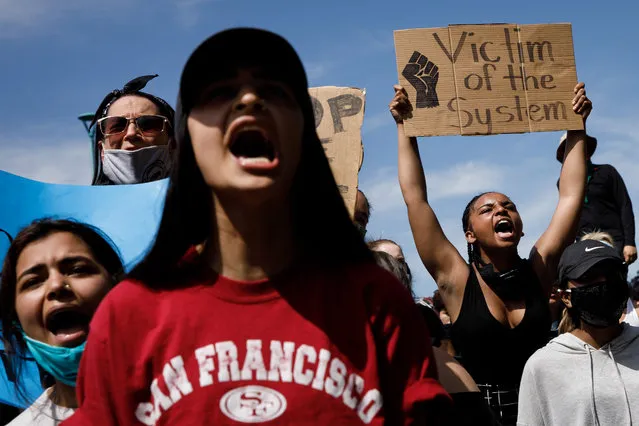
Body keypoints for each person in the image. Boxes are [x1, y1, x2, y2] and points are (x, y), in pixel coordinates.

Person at [62, 28, 449, 425]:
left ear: (303, 135)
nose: (248, 100)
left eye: (276, 92)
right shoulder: (128, 315)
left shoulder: (377, 304)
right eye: (218, 93)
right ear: (187, 141)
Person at [390, 82, 592, 425]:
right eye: (487, 209)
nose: (501, 210)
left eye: (508, 206)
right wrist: (405, 127)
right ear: (470, 234)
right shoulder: (455, 278)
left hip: (543, 411)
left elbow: (571, 195)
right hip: (477, 418)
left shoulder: (539, 269)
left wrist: (576, 124)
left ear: (520, 225)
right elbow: (416, 198)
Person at [0, 219, 123, 425]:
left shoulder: (187, 384)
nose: (56, 285)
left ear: (118, 286)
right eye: (33, 282)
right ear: (16, 321)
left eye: (77, 269)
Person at [517, 239, 639, 426]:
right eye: (588, 277)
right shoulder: (542, 366)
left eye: (611, 274)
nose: (603, 282)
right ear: (565, 297)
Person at [556, 133, 637, 265]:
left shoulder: (607, 172)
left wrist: (629, 243)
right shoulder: (562, 183)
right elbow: (566, 217)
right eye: (570, 149)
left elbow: (625, 206)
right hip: (583, 243)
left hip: (613, 241)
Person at [90, 74, 176, 185]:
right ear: (102, 151)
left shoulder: (201, 201)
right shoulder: (77, 201)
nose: (131, 133)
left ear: (173, 146)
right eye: (117, 126)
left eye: (148, 124)